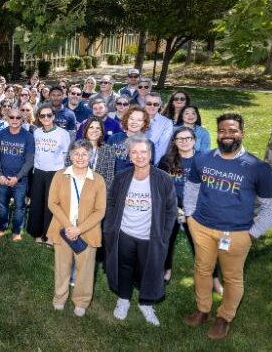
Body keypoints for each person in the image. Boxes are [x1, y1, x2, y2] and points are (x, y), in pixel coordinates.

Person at [182, 113, 272, 340]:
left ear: (241, 133)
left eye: (233, 130)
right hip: (202, 228)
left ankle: (224, 317)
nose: (227, 135)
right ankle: (203, 309)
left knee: (232, 277)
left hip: (236, 234)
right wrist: (190, 216)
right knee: (202, 269)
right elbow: (191, 188)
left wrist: (254, 233)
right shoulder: (203, 159)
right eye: (223, 131)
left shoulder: (257, 167)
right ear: (218, 133)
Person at [103, 134, 177, 326]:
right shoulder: (121, 178)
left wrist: (164, 234)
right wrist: (110, 226)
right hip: (125, 234)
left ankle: (146, 303)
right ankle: (124, 299)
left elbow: (170, 210)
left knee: (149, 270)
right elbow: (111, 203)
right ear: (129, 155)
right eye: (134, 152)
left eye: (143, 152)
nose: (139, 156)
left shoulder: (163, 179)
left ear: (150, 154)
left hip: (149, 237)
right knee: (124, 268)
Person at [157, 127, 224, 293]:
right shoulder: (167, 160)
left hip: (197, 209)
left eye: (188, 138)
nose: (184, 141)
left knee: (202, 246)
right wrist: (175, 207)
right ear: (175, 142)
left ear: (194, 140)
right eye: (180, 139)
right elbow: (160, 186)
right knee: (166, 241)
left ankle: (214, 280)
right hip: (171, 207)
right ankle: (166, 272)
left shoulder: (205, 160)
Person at [48, 140, 107, 317]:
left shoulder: (98, 180)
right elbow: (52, 203)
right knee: (62, 267)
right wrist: (68, 226)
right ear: (70, 156)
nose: (80, 157)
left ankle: (81, 301)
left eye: (84, 154)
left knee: (85, 269)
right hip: (63, 229)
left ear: (90, 156)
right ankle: (59, 297)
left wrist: (79, 229)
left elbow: (100, 210)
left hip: (87, 232)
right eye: (76, 154)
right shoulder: (60, 175)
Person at [27, 105, 71, 244]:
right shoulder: (37, 132)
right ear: (39, 118)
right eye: (42, 116)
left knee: (51, 205)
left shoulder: (62, 134)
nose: (46, 118)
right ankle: (37, 234)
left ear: (54, 116)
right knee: (37, 204)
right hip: (39, 172)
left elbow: (66, 155)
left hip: (55, 173)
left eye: (49, 115)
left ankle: (50, 236)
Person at [0, 108, 35, 242]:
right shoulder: (1, 134)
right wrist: (0, 174)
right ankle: (1, 227)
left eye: (18, 118)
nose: (15, 120)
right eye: (12, 117)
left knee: (19, 206)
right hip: (3, 178)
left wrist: (17, 177)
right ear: (7, 118)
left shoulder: (28, 136)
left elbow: (30, 160)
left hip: (20, 180)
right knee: (2, 205)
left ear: (22, 119)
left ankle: (16, 230)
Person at [70, 116, 116, 186]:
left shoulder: (109, 150)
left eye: (98, 128)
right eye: (91, 127)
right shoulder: (75, 149)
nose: (95, 130)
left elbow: (109, 178)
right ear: (86, 130)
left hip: (99, 191)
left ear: (101, 132)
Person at [107, 106, 152, 175]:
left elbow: (147, 171)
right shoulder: (114, 138)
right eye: (131, 118)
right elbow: (105, 163)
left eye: (139, 120)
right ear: (126, 119)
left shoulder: (148, 144)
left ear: (144, 123)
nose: (134, 122)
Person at [144, 93, 173, 163]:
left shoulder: (167, 123)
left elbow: (161, 148)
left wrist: (150, 163)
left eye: (156, 104)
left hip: (151, 161)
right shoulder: (136, 118)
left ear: (159, 106)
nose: (152, 106)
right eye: (149, 103)